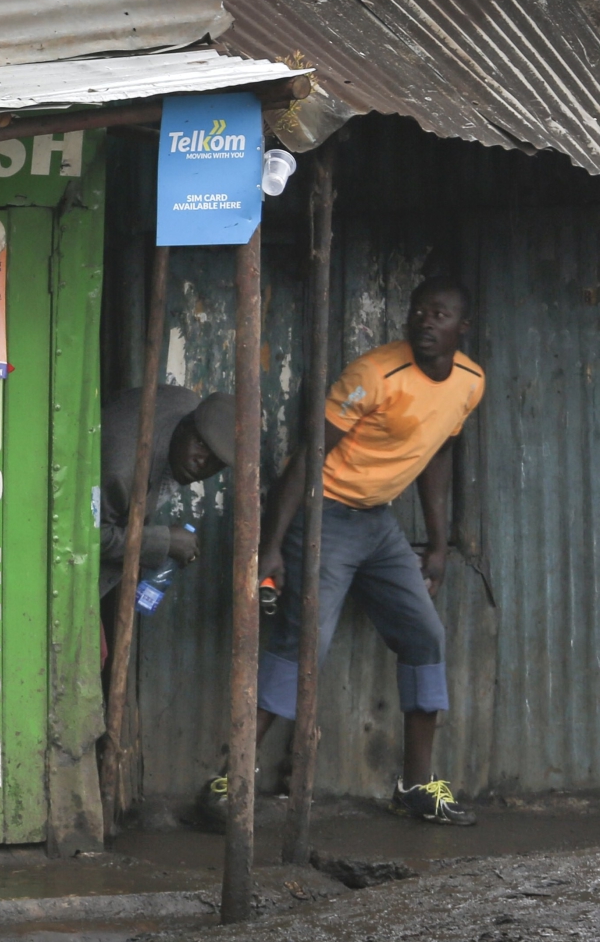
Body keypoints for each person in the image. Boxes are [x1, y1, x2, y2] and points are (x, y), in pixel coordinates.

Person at [204, 275, 483, 828]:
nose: (426, 321)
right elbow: (308, 458)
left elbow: (437, 454)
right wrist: (273, 545)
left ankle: (416, 787)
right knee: (305, 643)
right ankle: (227, 782)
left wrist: (438, 545)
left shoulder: (470, 382)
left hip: (377, 523)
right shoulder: (375, 374)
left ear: (462, 328)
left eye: (440, 314)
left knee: (425, 636)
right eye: (419, 311)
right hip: (324, 513)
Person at [100, 386, 237, 601]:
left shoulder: (188, 402)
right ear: (184, 425)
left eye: (217, 461)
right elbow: (83, 538)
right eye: (201, 444)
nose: (203, 462)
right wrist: (164, 542)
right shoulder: (123, 473)